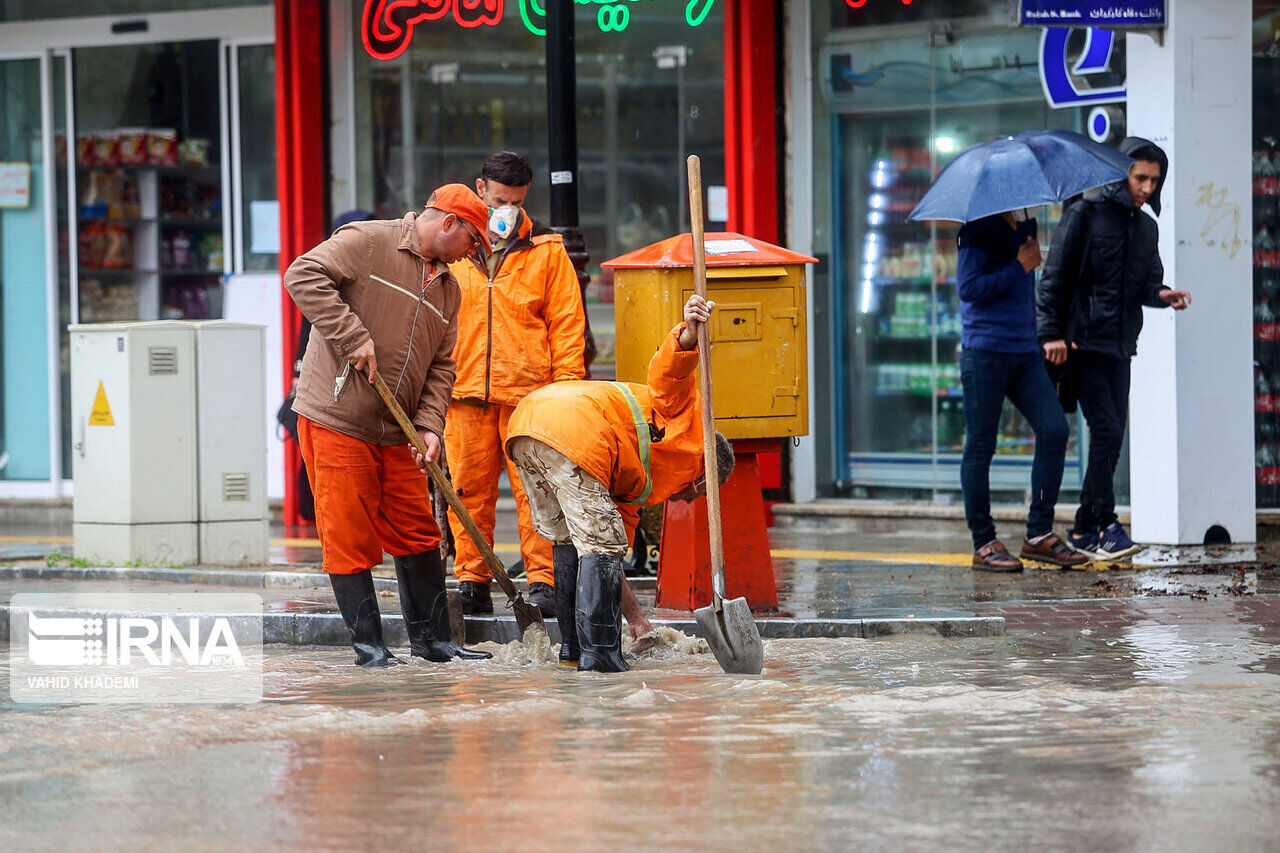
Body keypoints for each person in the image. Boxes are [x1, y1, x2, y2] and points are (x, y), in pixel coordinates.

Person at [284, 184, 495, 667]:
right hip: (338, 416)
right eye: (473, 242)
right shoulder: (370, 241)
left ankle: (434, 643)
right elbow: (303, 274)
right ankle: (370, 649)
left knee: (419, 532)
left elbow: (442, 367)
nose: (472, 255)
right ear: (449, 224)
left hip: (396, 430)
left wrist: (429, 426)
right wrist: (352, 336)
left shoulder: (449, 289)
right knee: (348, 534)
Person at [500, 294, 734, 672]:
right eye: (703, 493)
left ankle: (573, 652)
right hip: (575, 434)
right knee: (599, 543)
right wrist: (688, 337)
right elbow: (667, 375)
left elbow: (608, 557)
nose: (692, 500)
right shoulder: (688, 430)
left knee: (574, 540)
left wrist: (638, 621)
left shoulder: (633, 482)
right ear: (705, 476)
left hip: (528, 425)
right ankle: (601, 657)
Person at [445, 151, 587, 618]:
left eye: (517, 202)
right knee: (467, 490)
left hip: (531, 397)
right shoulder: (454, 245)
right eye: (500, 199)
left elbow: (567, 325)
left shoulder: (547, 249)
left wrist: (566, 395)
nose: (506, 210)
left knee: (537, 492)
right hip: (464, 391)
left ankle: (543, 580)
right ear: (480, 189)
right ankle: (472, 579)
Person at [1037, 137, 1192, 560]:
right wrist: (1050, 333)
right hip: (1079, 342)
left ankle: (1087, 527)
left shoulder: (1146, 228)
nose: (1147, 188)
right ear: (1120, 172)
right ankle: (1104, 523)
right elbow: (1054, 278)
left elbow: (1146, 283)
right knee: (1105, 430)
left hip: (1120, 344)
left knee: (1113, 435)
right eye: (1140, 177)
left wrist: (1162, 294)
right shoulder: (1084, 214)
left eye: (1154, 181)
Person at [957, 210, 1088, 572]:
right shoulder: (977, 229)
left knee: (1055, 429)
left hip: (1024, 351)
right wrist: (1019, 265)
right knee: (981, 443)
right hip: (984, 351)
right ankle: (983, 542)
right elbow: (968, 289)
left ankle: (1038, 534)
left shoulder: (1027, 224)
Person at [285, 210, 376, 524]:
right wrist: (298, 374)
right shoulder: (326, 276)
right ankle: (313, 511)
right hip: (328, 379)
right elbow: (307, 330)